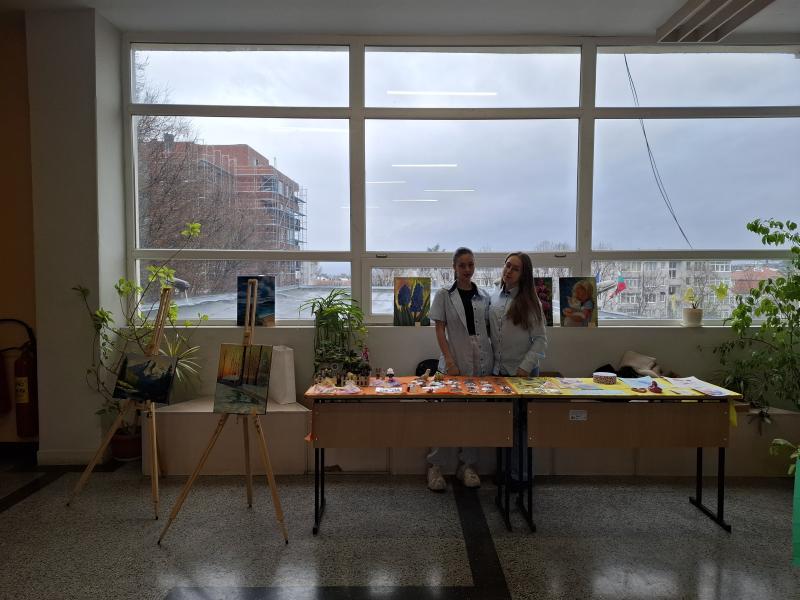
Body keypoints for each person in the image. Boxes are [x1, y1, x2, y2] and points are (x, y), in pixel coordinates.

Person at [427, 247, 493, 492]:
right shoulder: (444, 294)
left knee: (473, 417)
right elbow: (439, 330)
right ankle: (435, 466)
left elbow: (487, 332)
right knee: (446, 416)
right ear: (454, 268)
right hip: (453, 362)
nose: (467, 269)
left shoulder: (484, 296)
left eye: (470, 265)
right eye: (462, 265)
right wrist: (450, 360)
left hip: (480, 363)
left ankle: (467, 466)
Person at [489, 252, 547, 485]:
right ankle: (504, 473)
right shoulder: (494, 297)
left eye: (515, 268)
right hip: (499, 373)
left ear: (524, 274)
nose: (509, 271)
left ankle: (520, 476)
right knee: (502, 426)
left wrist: (524, 368)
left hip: (522, 374)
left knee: (521, 429)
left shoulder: (531, 303)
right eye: (507, 266)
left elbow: (540, 341)